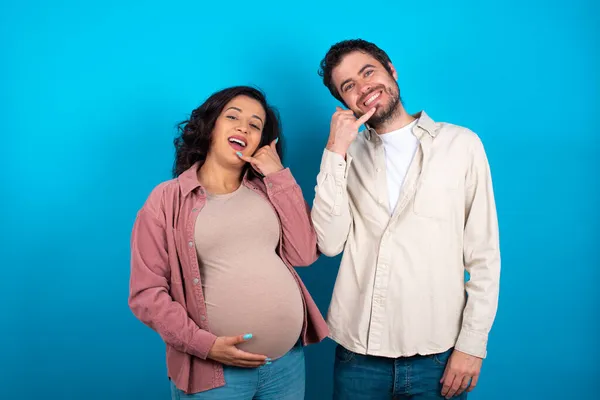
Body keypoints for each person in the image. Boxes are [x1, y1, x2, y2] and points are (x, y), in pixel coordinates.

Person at [311, 39, 501, 399]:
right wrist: (334, 151)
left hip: (439, 356)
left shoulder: (461, 144)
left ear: (391, 71)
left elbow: (484, 256)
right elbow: (329, 243)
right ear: (344, 102)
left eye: (368, 72)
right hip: (358, 358)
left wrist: (472, 345)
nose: (363, 87)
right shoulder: (344, 155)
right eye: (349, 86)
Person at [128, 86, 328, 399]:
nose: (243, 127)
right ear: (211, 126)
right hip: (215, 373)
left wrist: (277, 174)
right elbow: (146, 294)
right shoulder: (166, 200)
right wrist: (206, 346)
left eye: (254, 125)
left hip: (286, 365)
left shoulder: (267, 191)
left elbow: (304, 252)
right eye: (232, 116)